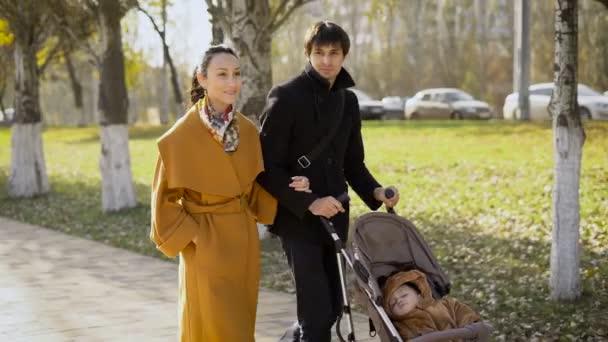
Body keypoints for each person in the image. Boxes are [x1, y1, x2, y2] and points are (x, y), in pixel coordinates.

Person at [149, 45, 311, 342]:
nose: (232, 82)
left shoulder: (248, 131)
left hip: (243, 236)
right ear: (202, 78)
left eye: (236, 74)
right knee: (209, 321)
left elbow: (259, 184)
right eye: (221, 74)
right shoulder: (179, 137)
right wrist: (194, 234)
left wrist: (293, 186)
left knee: (240, 321)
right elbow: (163, 200)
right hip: (205, 240)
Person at [257, 21, 400, 342]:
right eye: (318, 52)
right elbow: (265, 167)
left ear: (344, 55)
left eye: (333, 53)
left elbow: (353, 163)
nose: (326, 60)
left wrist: (376, 191)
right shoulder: (286, 96)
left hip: (336, 212)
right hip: (297, 220)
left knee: (333, 308)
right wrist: (309, 202)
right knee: (317, 316)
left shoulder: (347, 102)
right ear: (307, 54)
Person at [383, 270, 481, 340]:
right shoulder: (401, 325)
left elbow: (464, 313)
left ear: (419, 294)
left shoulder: (447, 304)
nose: (399, 301)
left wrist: (472, 324)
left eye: (404, 295)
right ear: (391, 312)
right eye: (393, 303)